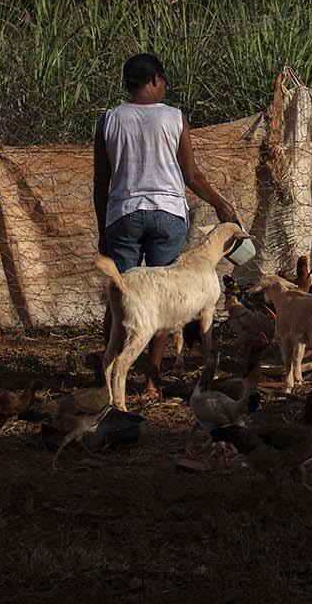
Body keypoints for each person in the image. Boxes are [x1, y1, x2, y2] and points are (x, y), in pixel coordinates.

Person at [93, 53, 240, 394]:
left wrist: (103, 227)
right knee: (164, 298)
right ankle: (150, 380)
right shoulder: (174, 118)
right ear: (157, 79)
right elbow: (191, 175)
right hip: (168, 214)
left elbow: (101, 181)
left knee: (121, 293)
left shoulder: (110, 119)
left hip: (123, 215)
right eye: (165, 80)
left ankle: (109, 379)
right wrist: (221, 204)